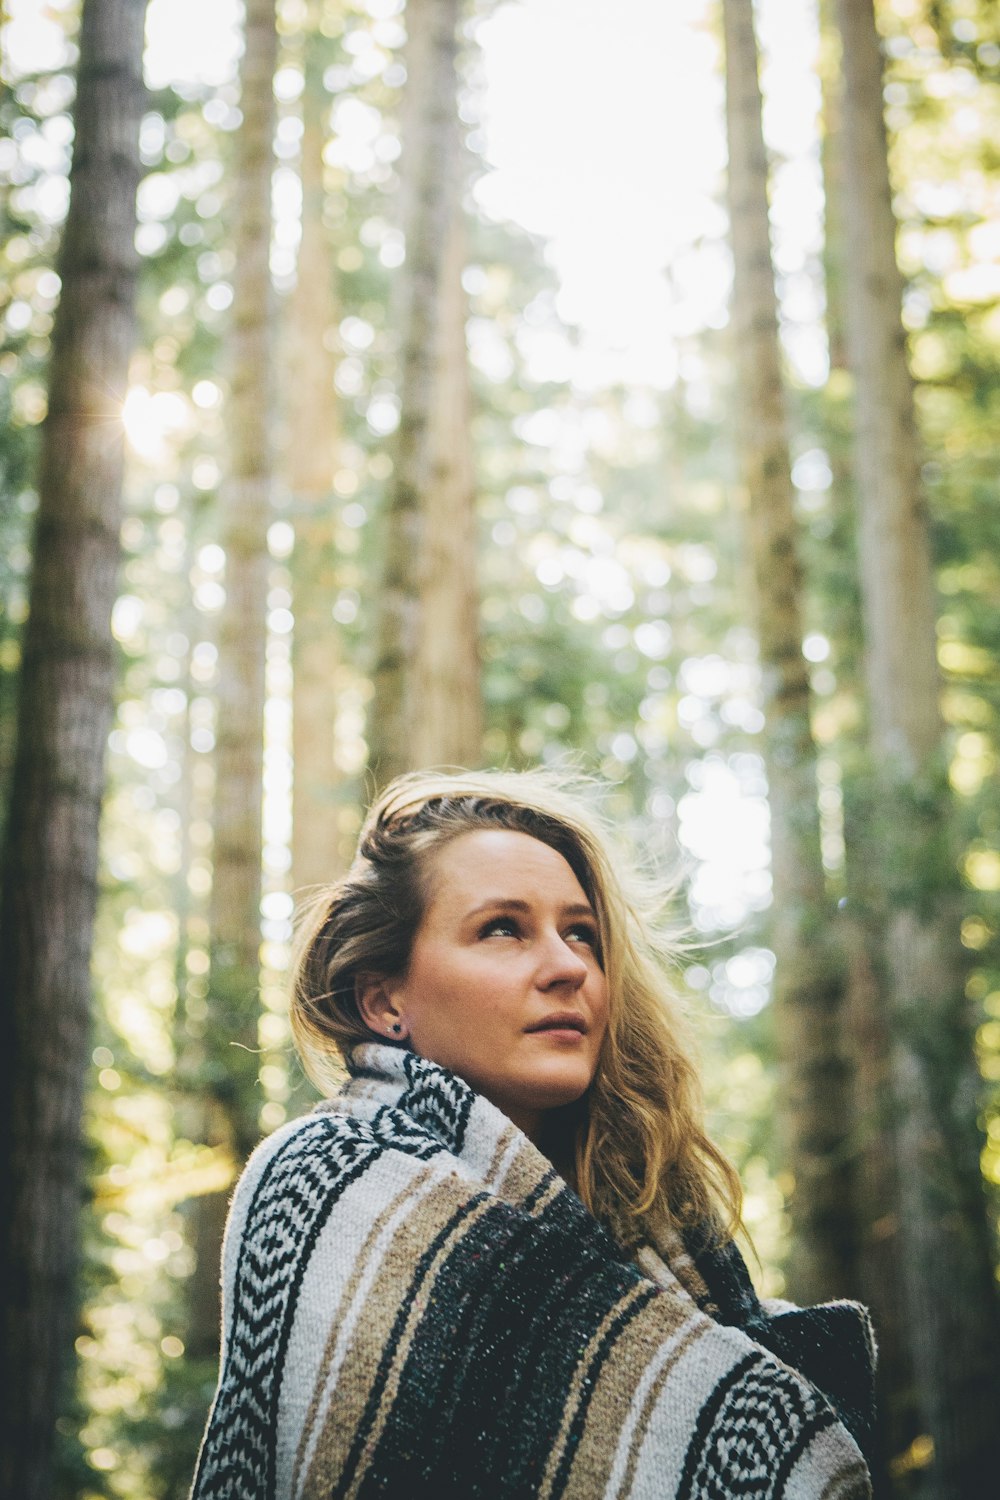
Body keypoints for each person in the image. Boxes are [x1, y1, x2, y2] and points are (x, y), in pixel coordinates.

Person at [191, 769, 875, 1499]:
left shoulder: (657, 1227)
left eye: (580, 933)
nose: (566, 966)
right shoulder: (322, 1182)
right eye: (502, 929)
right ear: (385, 998)